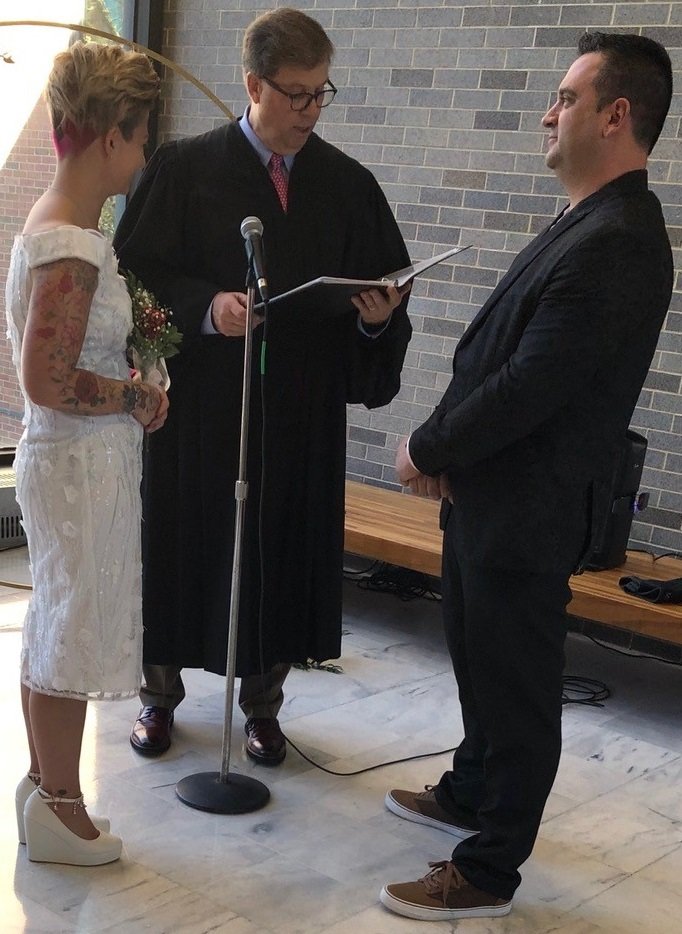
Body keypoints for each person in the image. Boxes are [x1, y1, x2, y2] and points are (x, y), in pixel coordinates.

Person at [381, 32, 673, 922]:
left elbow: (527, 386)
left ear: (616, 115)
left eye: (567, 97)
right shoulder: (589, 219)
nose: (549, 114)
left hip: (530, 508)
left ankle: (488, 871)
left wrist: (428, 448)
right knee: (478, 660)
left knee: (516, 688)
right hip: (491, 498)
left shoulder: (619, 237)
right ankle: (471, 791)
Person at [113, 7, 412, 764]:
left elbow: (384, 287)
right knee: (180, 544)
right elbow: (133, 276)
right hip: (202, 411)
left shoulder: (348, 184)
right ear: (253, 85)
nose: (311, 111)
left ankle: (264, 705)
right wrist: (207, 309)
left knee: (280, 550)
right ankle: (157, 699)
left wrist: (377, 319)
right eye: (296, 94)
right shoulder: (183, 168)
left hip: (298, 413)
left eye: (321, 94)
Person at [6, 41, 167, 866]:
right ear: (111, 136)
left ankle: (44, 788)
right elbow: (47, 378)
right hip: (77, 465)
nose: (143, 157)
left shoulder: (48, 220)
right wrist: (136, 395)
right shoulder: (75, 244)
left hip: (66, 464)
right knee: (71, 633)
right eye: (141, 139)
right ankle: (63, 806)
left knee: (55, 622)